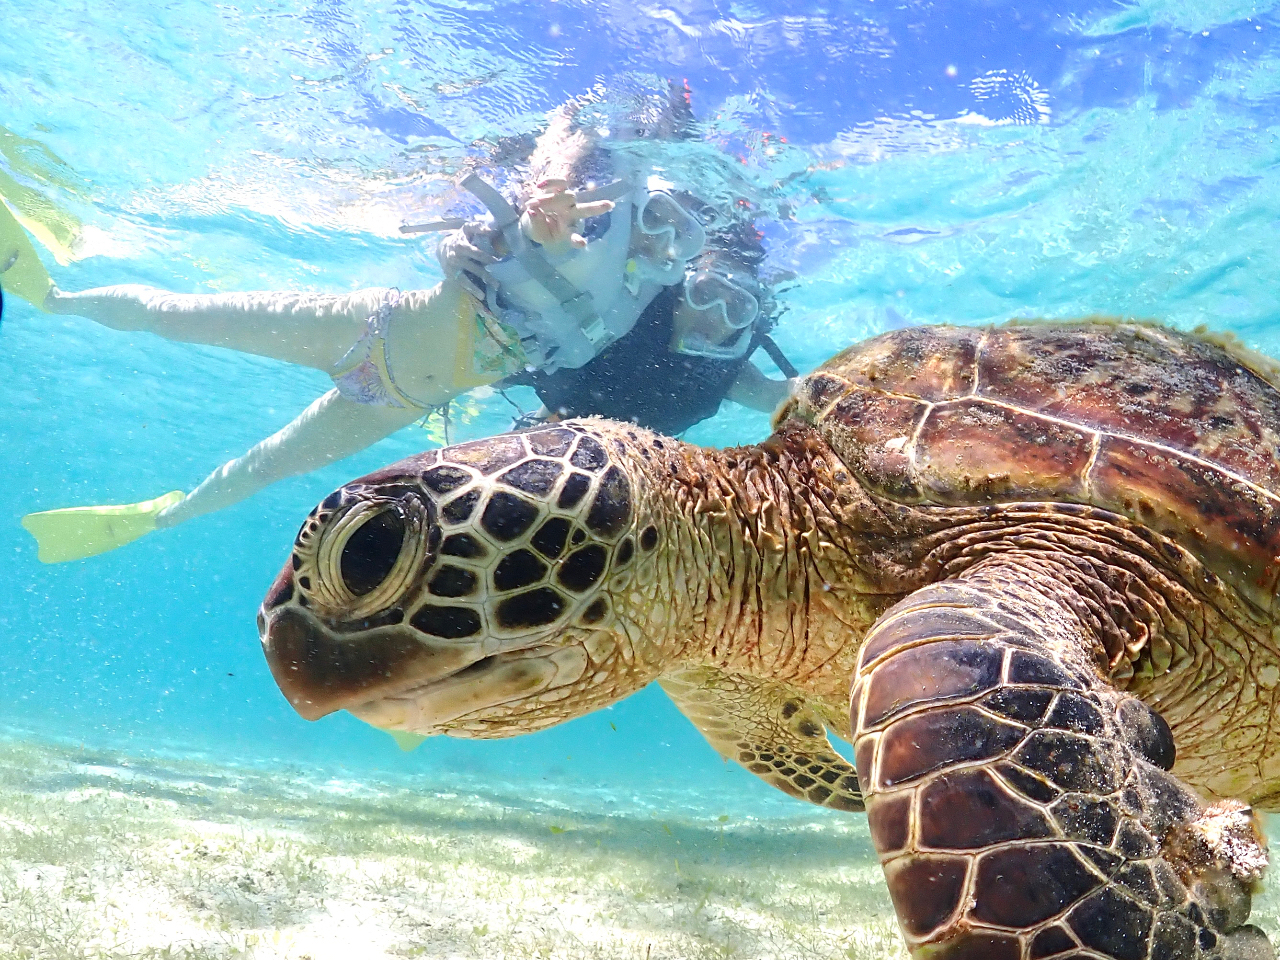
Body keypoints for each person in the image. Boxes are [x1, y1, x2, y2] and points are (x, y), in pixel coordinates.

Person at [4, 85, 795, 564]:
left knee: (267, 469)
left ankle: (157, 517)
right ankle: (53, 298)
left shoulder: (635, 317)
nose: (660, 242)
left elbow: (753, 389)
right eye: (656, 218)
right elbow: (568, 145)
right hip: (368, 331)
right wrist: (550, 184)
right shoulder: (583, 234)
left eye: (682, 238)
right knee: (171, 316)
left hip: (396, 402)